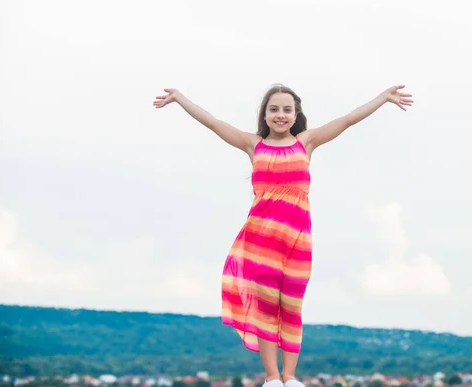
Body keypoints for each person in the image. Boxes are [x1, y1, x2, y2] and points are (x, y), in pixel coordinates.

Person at [153, 83, 413, 387]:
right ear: (264, 115)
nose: (280, 115)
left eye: (287, 109)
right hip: (260, 242)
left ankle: (290, 377)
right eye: (273, 109)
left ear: (296, 114)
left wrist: (382, 98)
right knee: (264, 307)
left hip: (298, 241)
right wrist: (180, 98)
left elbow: (347, 119)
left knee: (292, 307)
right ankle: (272, 377)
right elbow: (212, 122)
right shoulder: (253, 146)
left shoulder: (307, 143)